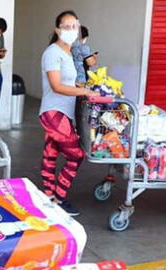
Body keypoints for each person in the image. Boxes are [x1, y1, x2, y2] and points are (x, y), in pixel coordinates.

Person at [39, 10, 99, 216]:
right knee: (75, 155)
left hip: (63, 112)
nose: (71, 30)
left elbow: (68, 82)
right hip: (53, 112)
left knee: (51, 153)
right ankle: (58, 198)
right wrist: (83, 90)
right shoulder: (53, 53)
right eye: (66, 26)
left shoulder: (67, 52)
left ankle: (47, 197)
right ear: (57, 30)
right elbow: (56, 86)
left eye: (75, 26)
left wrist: (85, 86)